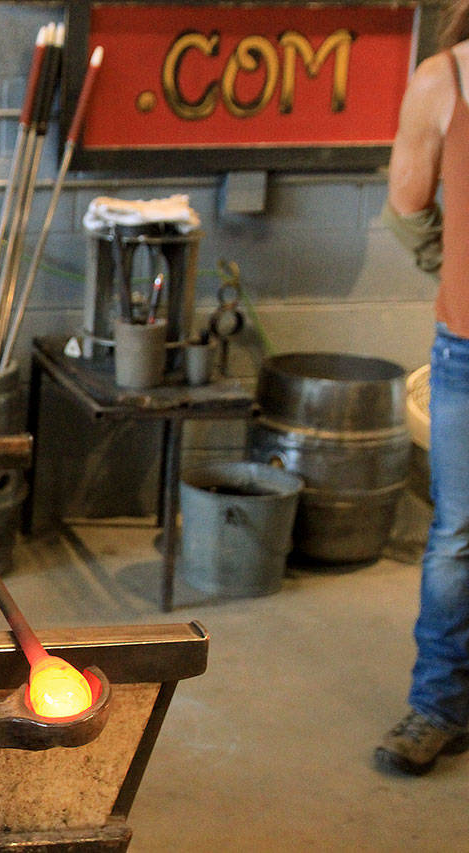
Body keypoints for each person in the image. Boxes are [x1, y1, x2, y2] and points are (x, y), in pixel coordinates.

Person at [376, 2, 469, 776]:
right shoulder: (446, 81)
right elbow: (408, 208)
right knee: (459, 538)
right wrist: (460, 276)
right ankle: (440, 705)